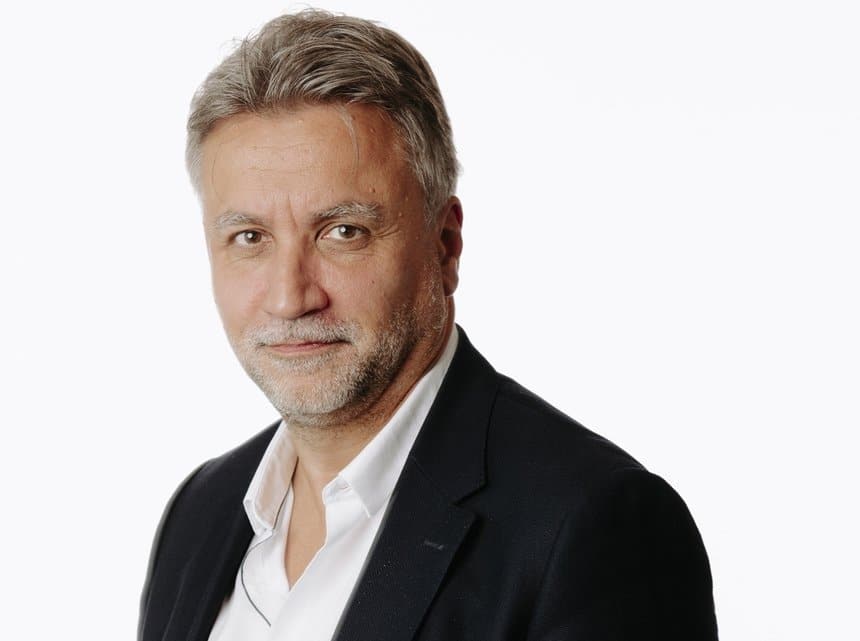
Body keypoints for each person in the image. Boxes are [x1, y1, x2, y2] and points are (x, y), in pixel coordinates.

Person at [139, 9, 718, 641]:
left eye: (343, 232)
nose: (290, 297)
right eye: (250, 237)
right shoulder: (198, 514)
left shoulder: (593, 526)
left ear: (444, 245)